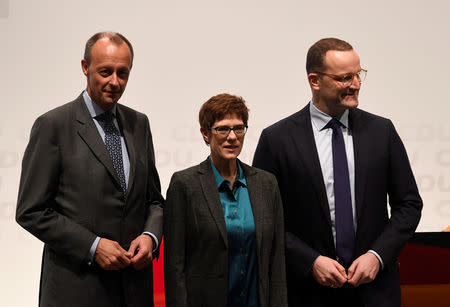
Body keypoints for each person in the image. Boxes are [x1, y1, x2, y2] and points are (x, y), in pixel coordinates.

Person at [253, 38, 422, 307]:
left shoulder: (382, 132)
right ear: (315, 80)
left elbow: (409, 205)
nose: (356, 84)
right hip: (307, 292)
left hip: (375, 291)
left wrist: (377, 255)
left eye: (358, 74)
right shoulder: (277, 139)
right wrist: (309, 261)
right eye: (345, 77)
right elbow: (263, 218)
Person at [16, 32, 164, 307]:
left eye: (123, 73)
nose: (115, 82)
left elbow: (154, 200)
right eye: (105, 72)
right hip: (76, 290)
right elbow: (31, 211)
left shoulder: (139, 124)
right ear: (85, 67)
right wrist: (93, 246)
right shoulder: (53, 125)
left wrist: (150, 236)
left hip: (134, 291)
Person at [164, 93, 287, 307]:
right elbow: (175, 267)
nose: (232, 137)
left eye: (239, 128)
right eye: (222, 128)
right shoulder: (184, 184)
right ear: (205, 133)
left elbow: (276, 263)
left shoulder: (267, 184)